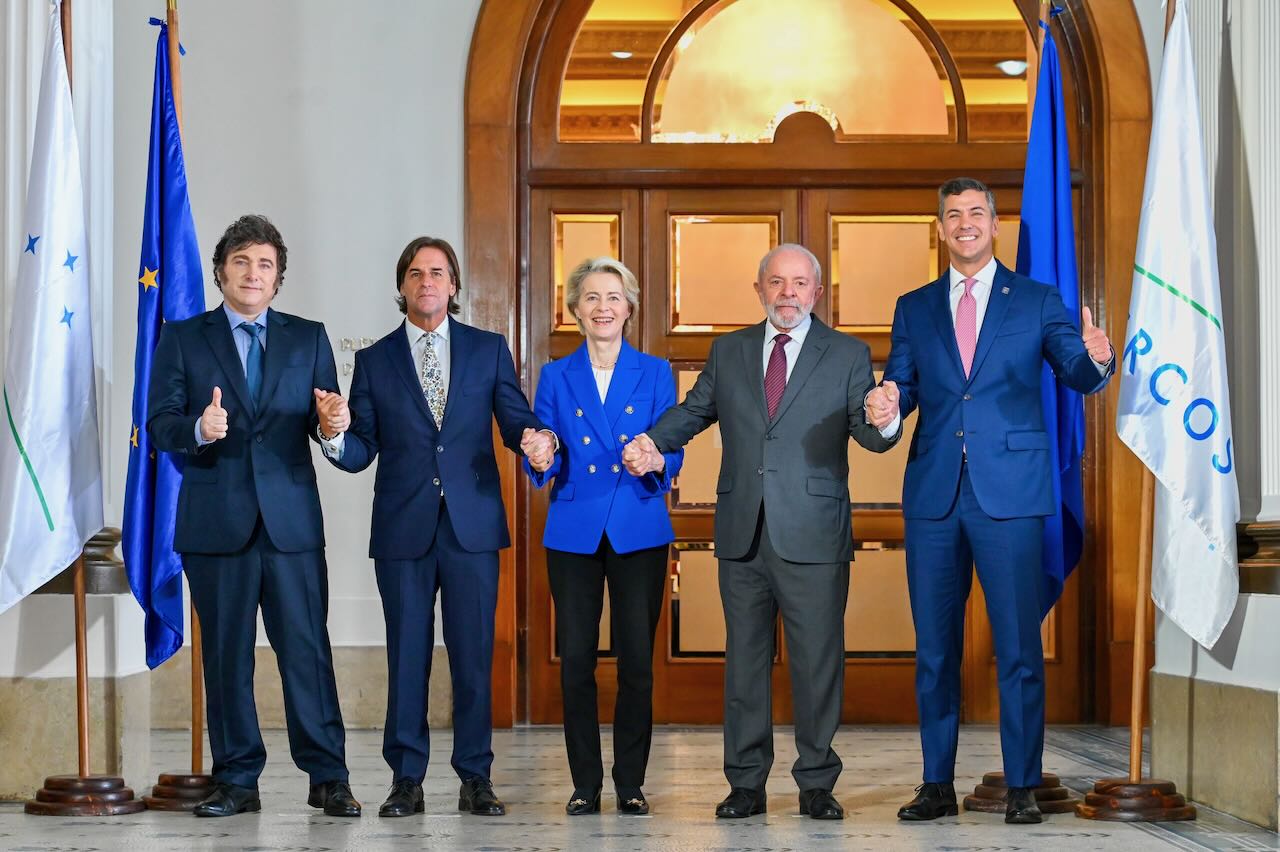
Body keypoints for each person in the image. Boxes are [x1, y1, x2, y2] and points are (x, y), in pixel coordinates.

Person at [868, 177, 1113, 825]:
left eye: (976, 212)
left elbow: (1075, 369)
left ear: (995, 224)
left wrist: (1097, 361)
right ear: (941, 229)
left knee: (1018, 648)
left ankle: (1024, 786)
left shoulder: (1035, 300)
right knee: (935, 651)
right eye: (953, 215)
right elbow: (902, 387)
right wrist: (888, 407)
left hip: (1013, 495)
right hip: (934, 497)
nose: (965, 223)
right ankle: (936, 785)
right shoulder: (914, 307)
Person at [623, 244, 898, 821]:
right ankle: (745, 783)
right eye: (777, 282)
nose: (788, 293)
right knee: (745, 663)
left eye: (800, 283)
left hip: (815, 534)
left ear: (817, 293)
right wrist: (654, 441)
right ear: (760, 290)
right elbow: (695, 410)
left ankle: (817, 784)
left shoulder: (847, 354)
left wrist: (885, 416)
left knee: (817, 662)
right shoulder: (729, 351)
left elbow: (871, 436)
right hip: (743, 531)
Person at [317, 236, 555, 818]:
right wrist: (333, 433)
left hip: (472, 527)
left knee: (473, 655)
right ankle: (406, 779)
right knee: (407, 655)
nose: (428, 281)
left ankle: (476, 776)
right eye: (417, 273)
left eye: (439, 272)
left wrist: (535, 442)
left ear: (453, 286)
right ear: (402, 287)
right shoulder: (374, 361)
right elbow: (360, 449)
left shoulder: (487, 348)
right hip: (403, 531)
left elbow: (515, 419)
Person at [147, 214, 358, 818]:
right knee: (226, 656)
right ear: (221, 272)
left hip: (291, 525)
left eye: (264, 264)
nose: (252, 273)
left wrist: (333, 425)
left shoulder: (308, 337)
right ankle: (237, 780)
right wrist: (197, 428)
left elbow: (324, 416)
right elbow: (160, 425)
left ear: (279, 278)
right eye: (241, 261)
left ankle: (329, 777)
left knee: (306, 652)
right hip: (217, 526)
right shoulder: (184, 338)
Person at [525, 257, 684, 816]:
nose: (603, 307)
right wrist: (540, 452)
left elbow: (673, 441)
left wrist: (656, 458)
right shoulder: (555, 374)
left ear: (630, 308)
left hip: (638, 526)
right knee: (577, 663)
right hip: (574, 531)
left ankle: (631, 783)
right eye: (591, 298)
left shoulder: (656, 370)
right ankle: (585, 784)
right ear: (575, 310)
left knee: (637, 662)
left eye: (613, 297)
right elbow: (544, 443)